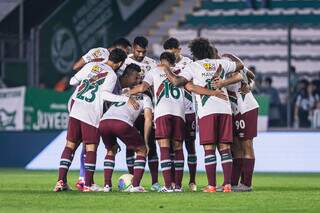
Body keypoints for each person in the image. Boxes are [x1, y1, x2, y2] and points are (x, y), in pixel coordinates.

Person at [128, 51, 226, 192]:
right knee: (178, 148)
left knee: (164, 147)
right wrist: (213, 92)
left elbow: (142, 87)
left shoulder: (155, 71)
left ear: (161, 61)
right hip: (180, 114)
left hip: (163, 113)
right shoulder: (181, 72)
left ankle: (168, 186)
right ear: (174, 62)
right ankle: (178, 186)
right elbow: (192, 88)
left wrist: (127, 92)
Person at [160, 38, 244, 192]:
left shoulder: (194, 66)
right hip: (225, 109)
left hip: (207, 111)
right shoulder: (221, 63)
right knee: (225, 147)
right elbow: (240, 65)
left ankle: (211, 185)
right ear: (209, 50)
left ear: (194, 53)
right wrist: (224, 80)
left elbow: (178, 82)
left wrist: (166, 69)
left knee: (209, 148)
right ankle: (227, 185)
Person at [53, 48, 137, 192]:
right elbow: (104, 95)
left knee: (70, 145)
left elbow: (73, 81)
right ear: (120, 63)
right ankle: (88, 184)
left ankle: (61, 181)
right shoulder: (111, 75)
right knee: (91, 147)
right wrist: (124, 98)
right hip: (91, 111)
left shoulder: (91, 65)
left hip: (76, 105)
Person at [99, 64, 152, 192]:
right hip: (121, 123)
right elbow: (148, 120)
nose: (139, 80)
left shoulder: (122, 92)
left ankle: (107, 186)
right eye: (138, 78)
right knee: (141, 150)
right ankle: (135, 186)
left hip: (104, 122)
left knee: (111, 150)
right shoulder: (145, 98)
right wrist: (145, 142)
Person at [121, 36, 160, 191]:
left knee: (150, 144)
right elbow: (120, 83)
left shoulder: (151, 64)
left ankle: (155, 182)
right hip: (128, 108)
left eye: (143, 52)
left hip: (146, 107)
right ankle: (132, 180)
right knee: (130, 146)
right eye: (138, 51)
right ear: (132, 47)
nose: (141, 55)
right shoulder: (125, 62)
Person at [163, 37, 197, 192]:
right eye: (168, 53)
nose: (171, 55)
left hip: (188, 110)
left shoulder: (189, 63)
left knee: (190, 146)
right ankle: (173, 182)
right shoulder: (163, 66)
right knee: (171, 147)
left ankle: (192, 181)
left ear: (179, 50)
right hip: (172, 111)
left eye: (173, 52)